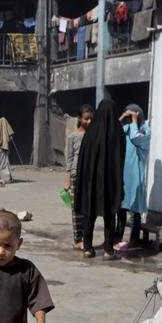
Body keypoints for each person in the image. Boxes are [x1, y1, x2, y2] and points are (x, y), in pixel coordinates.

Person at [74, 98, 126, 260]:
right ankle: (108, 250)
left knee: (89, 214)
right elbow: (121, 158)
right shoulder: (117, 132)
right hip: (110, 183)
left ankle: (88, 249)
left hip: (91, 183)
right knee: (110, 215)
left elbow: (83, 160)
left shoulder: (91, 133)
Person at [116, 104, 151, 252]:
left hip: (136, 176)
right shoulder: (126, 129)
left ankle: (133, 240)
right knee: (121, 208)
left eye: (133, 115)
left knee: (135, 210)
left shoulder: (145, 131)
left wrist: (135, 122)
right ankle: (117, 238)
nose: (131, 118)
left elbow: (136, 139)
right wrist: (122, 118)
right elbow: (112, 132)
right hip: (123, 174)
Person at [64, 104, 94, 250]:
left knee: (87, 208)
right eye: (86, 119)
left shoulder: (94, 135)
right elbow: (69, 158)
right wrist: (68, 179)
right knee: (76, 209)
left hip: (89, 175)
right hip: (76, 174)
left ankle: (86, 237)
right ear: (80, 118)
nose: (89, 122)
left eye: (91, 119)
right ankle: (77, 239)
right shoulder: (73, 137)